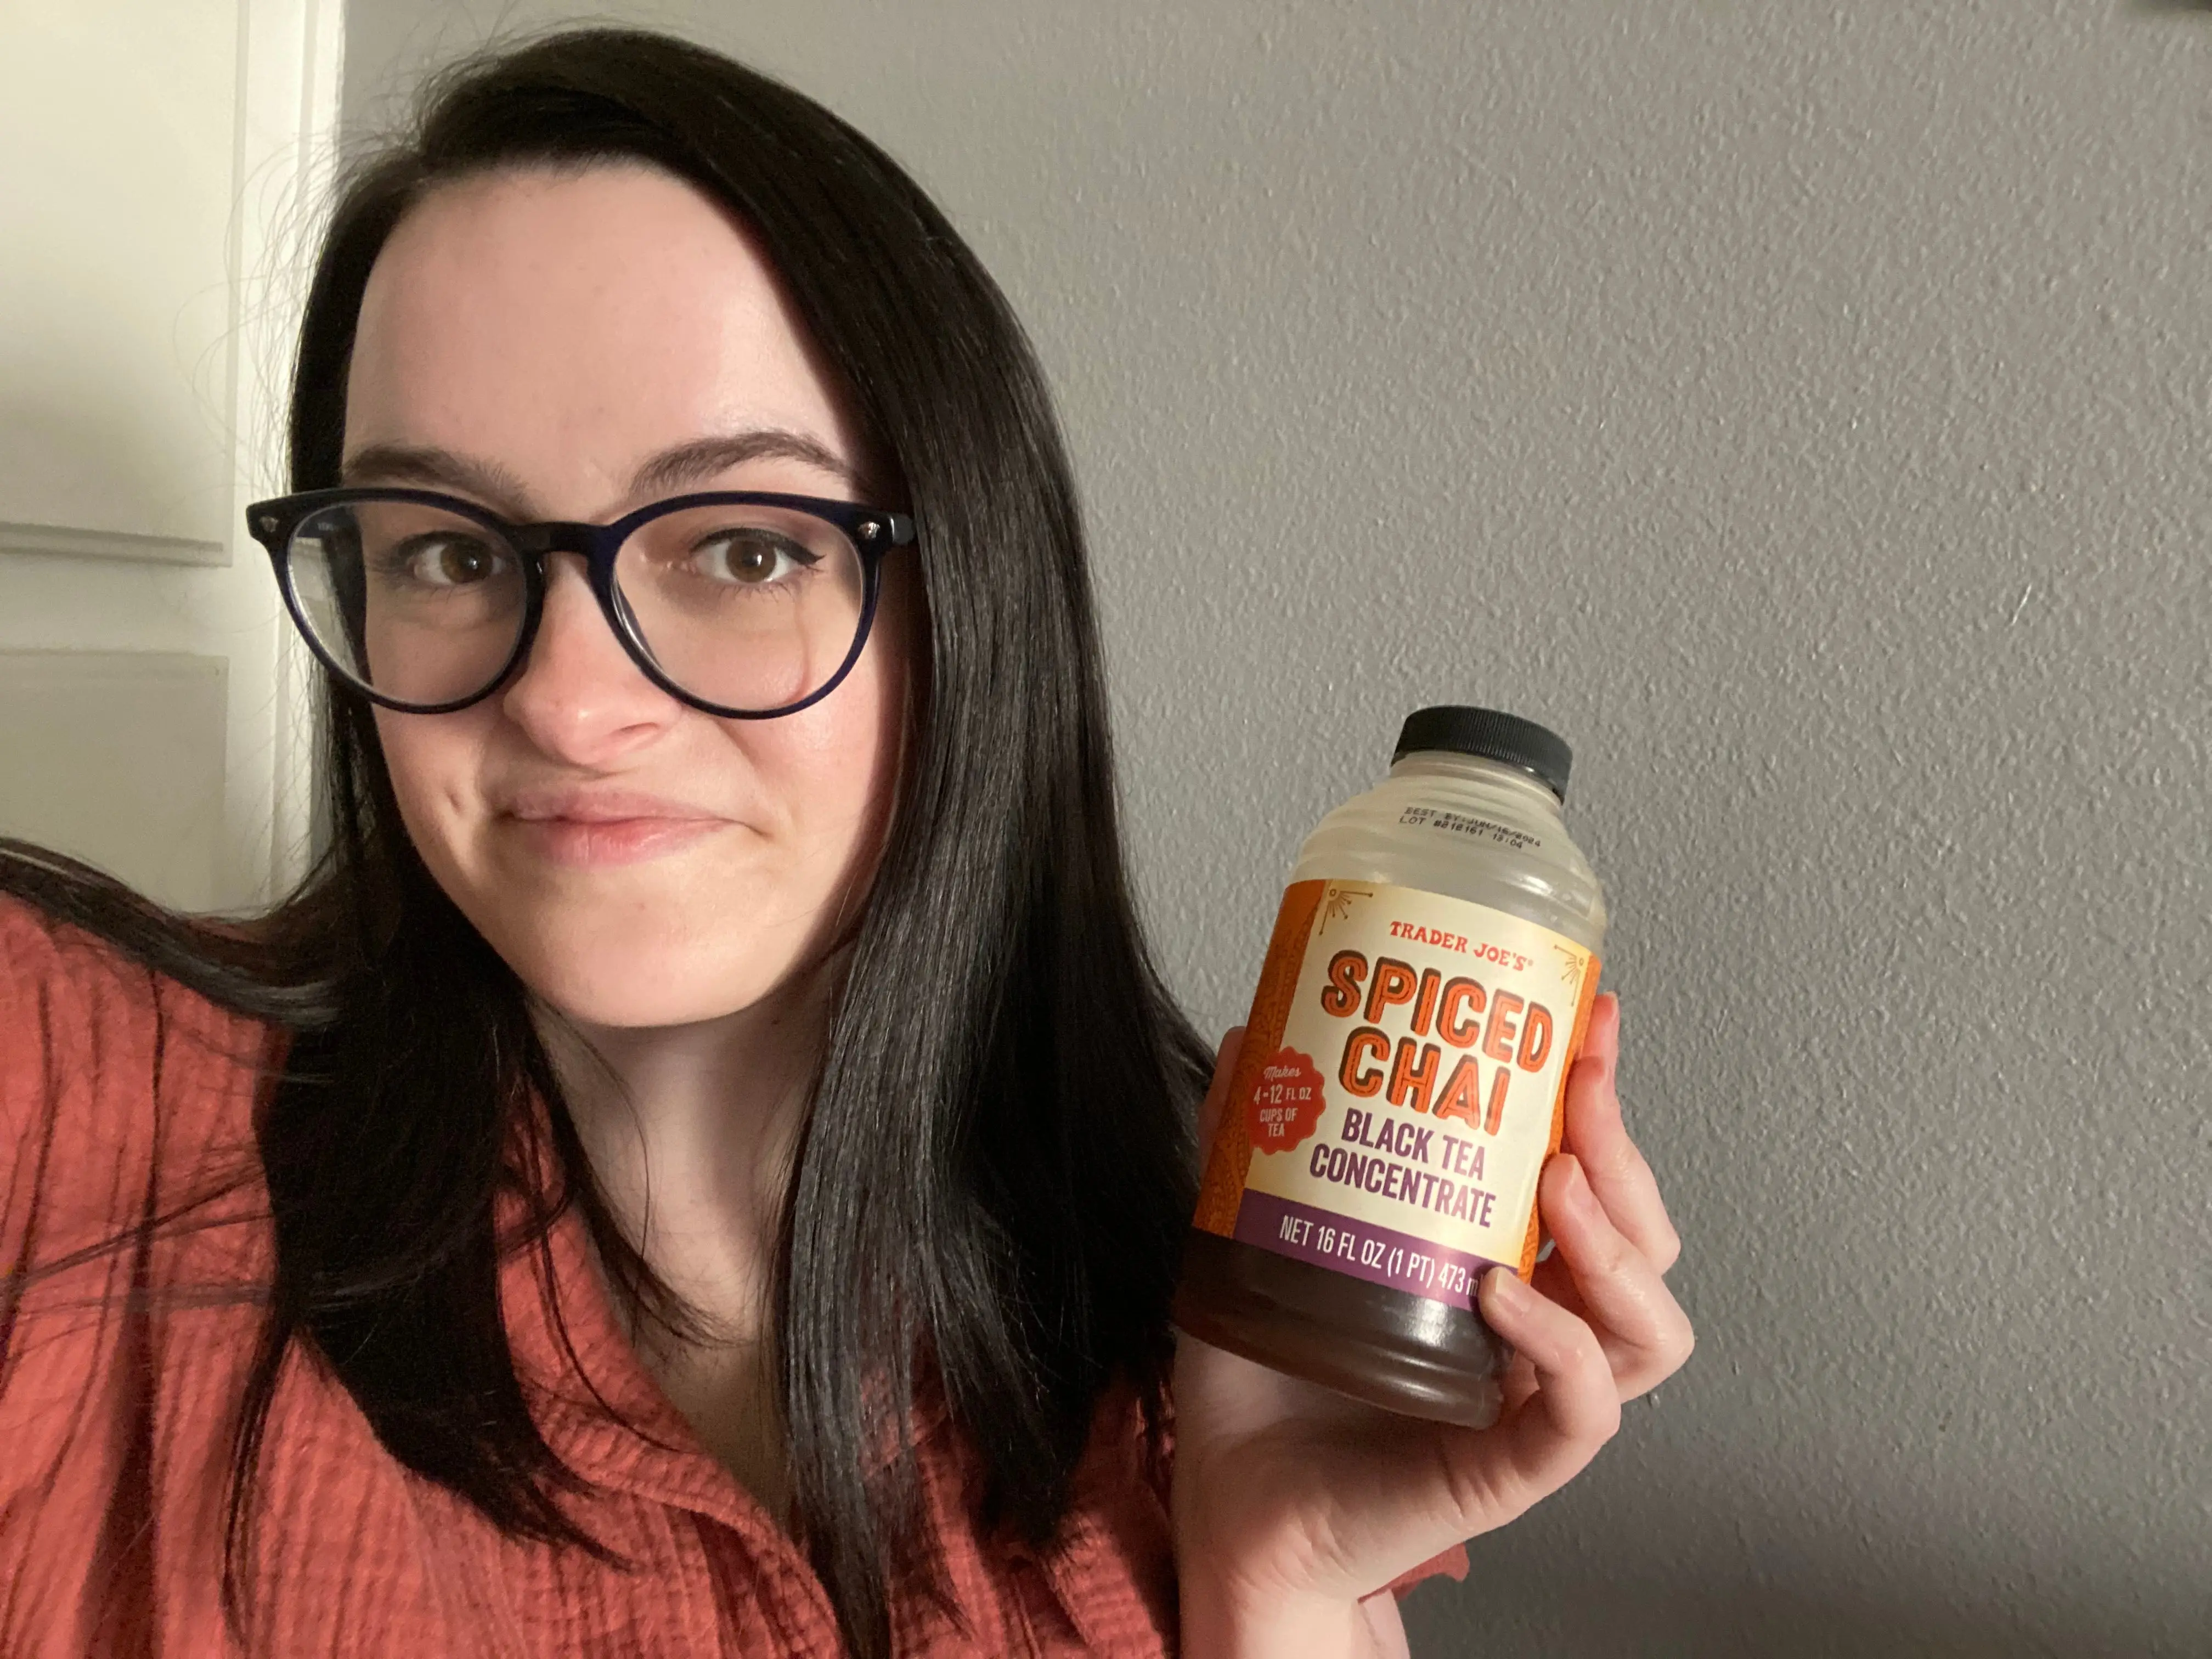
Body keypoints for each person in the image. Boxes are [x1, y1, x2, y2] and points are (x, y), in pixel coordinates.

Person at [0, 26, 1691, 1658]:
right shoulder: (75, 1119)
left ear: (968, 606)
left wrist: (1288, 1578)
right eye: (445, 554)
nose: (572, 708)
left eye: (742, 550)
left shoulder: (1202, 1333)